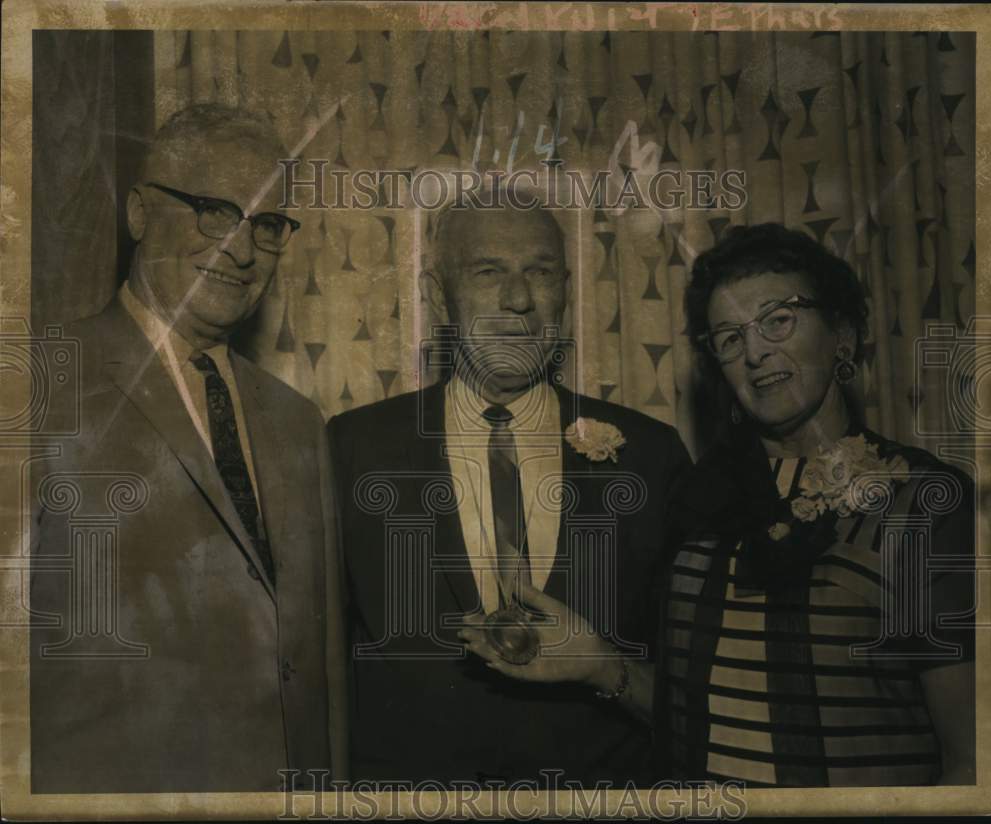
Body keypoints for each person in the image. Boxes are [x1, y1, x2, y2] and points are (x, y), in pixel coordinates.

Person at [463, 222, 977, 787]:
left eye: (779, 319)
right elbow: (690, 726)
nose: (756, 350)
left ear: (842, 333)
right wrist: (600, 665)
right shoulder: (696, 500)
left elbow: (972, 763)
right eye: (730, 338)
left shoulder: (927, 502)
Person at [29, 104, 349, 793]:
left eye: (265, 224)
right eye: (213, 210)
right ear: (141, 214)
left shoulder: (299, 423)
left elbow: (318, 669)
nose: (240, 249)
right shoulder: (38, 380)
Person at [328, 201, 692, 786]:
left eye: (542, 273)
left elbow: (701, 699)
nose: (519, 300)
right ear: (438, 296)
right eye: (488, 272)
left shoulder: (651, 455)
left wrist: (607, 669)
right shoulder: (352, 448)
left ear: (567, 292)